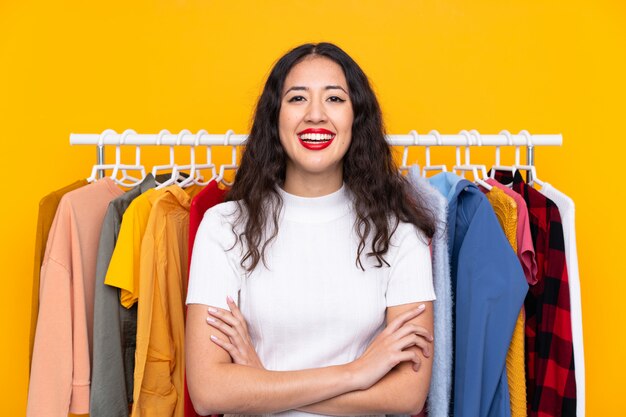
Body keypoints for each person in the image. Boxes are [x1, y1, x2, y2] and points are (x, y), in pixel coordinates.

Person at [185, 42, 437, 417]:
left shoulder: (400, 235)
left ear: (356, 117)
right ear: (275, 117)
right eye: (297, 98)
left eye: (335, 99)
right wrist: (357, 373)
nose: (316, 115)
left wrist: (262, 381)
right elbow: (208, 392)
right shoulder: (224, 227)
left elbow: (406, 395)